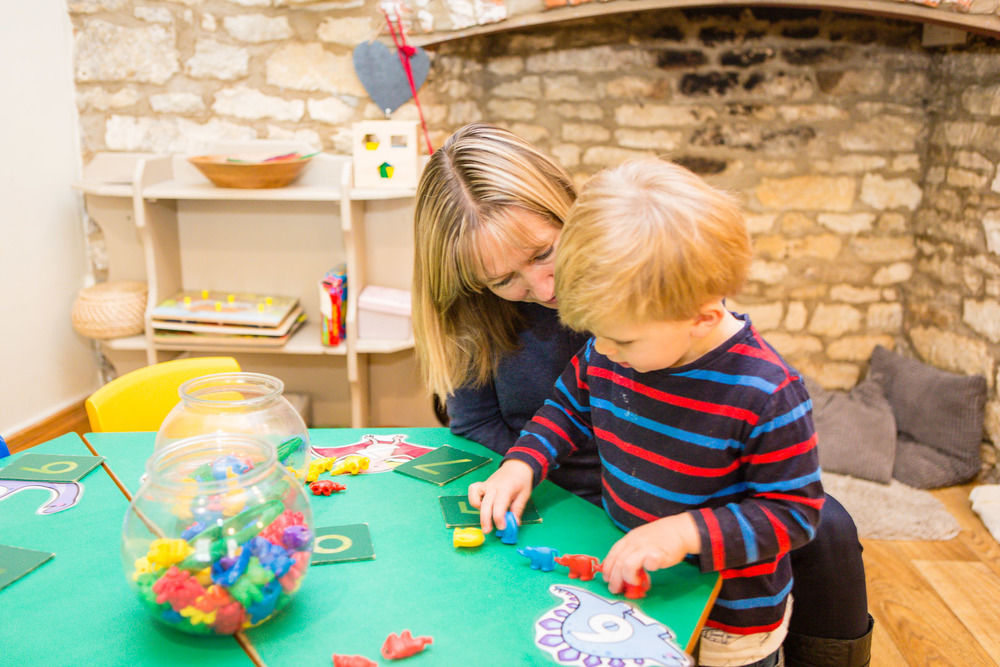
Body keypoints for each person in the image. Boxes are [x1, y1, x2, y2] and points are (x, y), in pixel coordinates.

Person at [412, 122, 872, 666]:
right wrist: (521, 464)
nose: (546, 294)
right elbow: (566, 405)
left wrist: (682, 531)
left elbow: (792, 510)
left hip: (733, 622)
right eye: (504, 280)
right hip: (635, 577)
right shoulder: (616, 345)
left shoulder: (757, 386)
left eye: (543, 254)